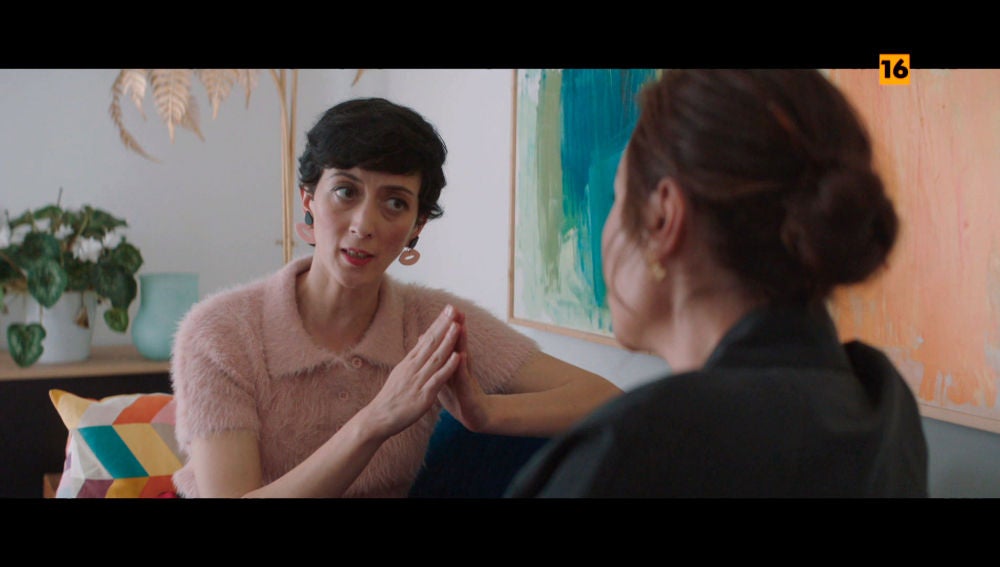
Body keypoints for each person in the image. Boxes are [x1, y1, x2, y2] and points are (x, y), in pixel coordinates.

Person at [169, 97, 622, 498]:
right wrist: (375, 421)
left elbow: (607, 400)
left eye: (395, 203)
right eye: (345, 191)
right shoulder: (220, 334)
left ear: (416, 226)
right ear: (309, 200)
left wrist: (486, 413)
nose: (364, 224)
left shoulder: (431, 323)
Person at [505, 69, 929, 498]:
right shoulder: (885, 410)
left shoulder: (636, 453)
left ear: (663, 218)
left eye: (617, 196)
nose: (607, 226)